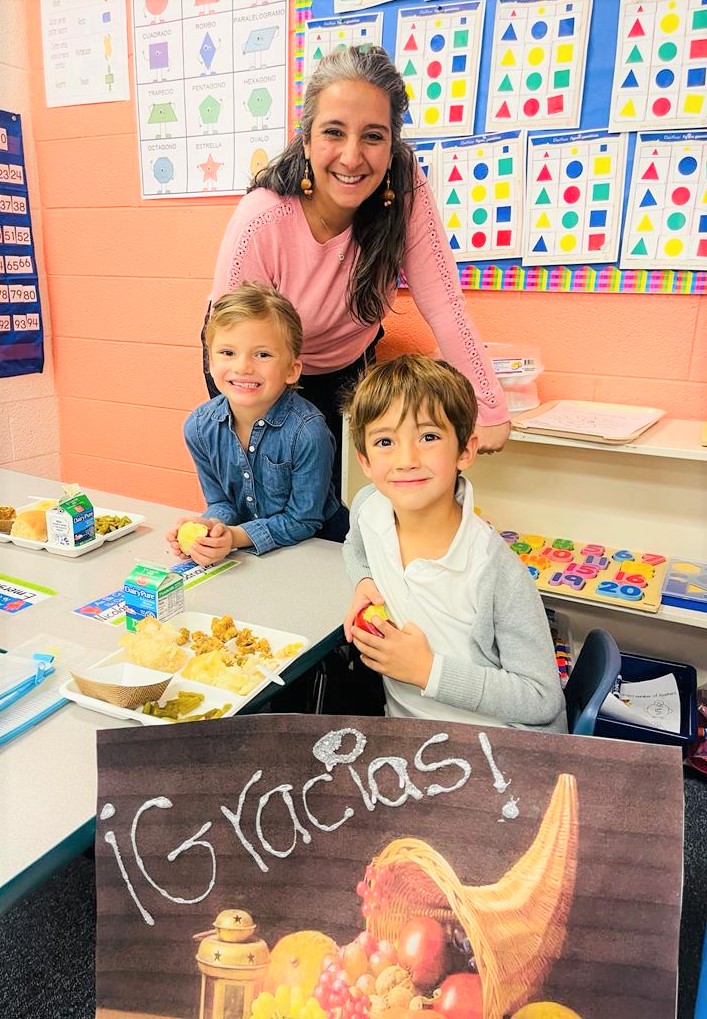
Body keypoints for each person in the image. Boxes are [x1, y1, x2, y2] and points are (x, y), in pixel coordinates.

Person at [204, 45, 511, 494]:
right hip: (258, 359)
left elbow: (444, 301)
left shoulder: (403, 185)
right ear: (306, 141)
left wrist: (490, 406)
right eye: (334, 132)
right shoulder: (262, 218)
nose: (351, 157)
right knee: (274, 499)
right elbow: (232, 341)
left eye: (372, 136)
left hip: (349, 363)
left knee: (347, 502)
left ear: (392, 146)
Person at [341, 354, 567, 732]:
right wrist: (364, 582)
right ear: (364, 460)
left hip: (495, 746)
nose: (406, 459)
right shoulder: (369, 507)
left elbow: (542, 700)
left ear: (465, 450)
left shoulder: (494, 569)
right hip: (409, 734)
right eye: (385, 441)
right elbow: (354, 546)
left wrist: (428, 671)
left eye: (428, 437)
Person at [167, 281, 348, 566]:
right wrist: (211, 530)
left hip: (320, 551)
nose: (243, 367)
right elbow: (222, 503)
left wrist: (235, 537)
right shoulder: (199, 428)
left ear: (291, 370)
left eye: (262, 354)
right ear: (210, 362)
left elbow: (304, 519)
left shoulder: (308, 432)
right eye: (228, 353)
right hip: (253, 557)